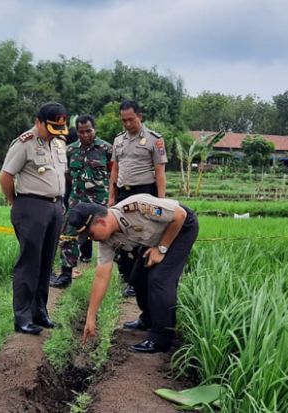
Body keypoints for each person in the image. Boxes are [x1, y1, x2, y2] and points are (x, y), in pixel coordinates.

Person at [74, 194, 198, 353]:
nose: (91, 239)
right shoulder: (106, 239)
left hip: (180, 228)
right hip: (154, 238)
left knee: (159, 279)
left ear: (101, 222)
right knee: (137, 277)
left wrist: (162, 249)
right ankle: (148, 320)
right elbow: (101, 276)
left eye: (90, 234)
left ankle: (161, 339)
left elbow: (180, 215)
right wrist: (90, 318)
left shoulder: (137, 207)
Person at [0, 102, 69, 335]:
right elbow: (6, 177)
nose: (54, 133)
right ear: (38, 122)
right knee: (29, 264)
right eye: (50, 128)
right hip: (31, 205)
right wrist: (15, 203)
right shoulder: (24, 143)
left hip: (55, 206)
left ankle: (40, 312)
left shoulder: (58, 143)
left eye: (58, 129)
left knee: (46, 263)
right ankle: (22, 317)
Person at [108, 100, 168, 297]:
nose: (127, 124)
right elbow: (115, 170)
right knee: (122, 237)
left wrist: (161, 202)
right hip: (122, 194)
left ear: (140, 116)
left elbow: (160, 173)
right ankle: (126, 277)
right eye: (123, 120)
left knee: (143, 237)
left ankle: (137, 281)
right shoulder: (118, 140)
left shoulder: (154, 140)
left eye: (131, 120)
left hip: (144, 193)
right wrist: (111, 197)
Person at [50, 115, 112, 288]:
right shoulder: (70, 151)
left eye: (89, 131)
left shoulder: (107, 149)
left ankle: (124, 278)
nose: (85, 135)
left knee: (112, 237)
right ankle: (66, 274)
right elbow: (67, 174)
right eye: (81, 132)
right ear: (76, 132)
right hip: (77, 202)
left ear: (95, 130)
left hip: (100, 202)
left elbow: (114, 173)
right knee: (68, 236)